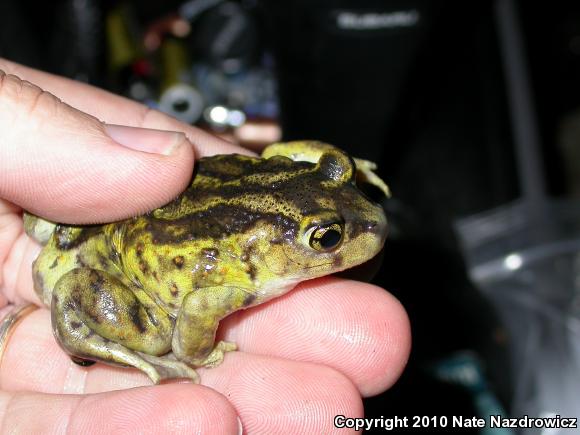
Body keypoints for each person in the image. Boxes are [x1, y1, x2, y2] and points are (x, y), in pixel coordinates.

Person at [0, 59, 410, 433]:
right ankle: (86, 327)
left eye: (338, 173)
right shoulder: (239, 278)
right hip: (101, 262)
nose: (371, 224)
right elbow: (197, 308)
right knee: (156, 338)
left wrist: (338, 168)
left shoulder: (276, 186)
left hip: (93, 221)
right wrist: (196, 355)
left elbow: (276, 154)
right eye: (326, 239)